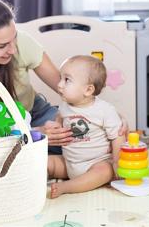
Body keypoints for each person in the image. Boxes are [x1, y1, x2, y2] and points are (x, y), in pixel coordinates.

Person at [0, 0, 128, 154]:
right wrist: (35, 134)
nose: (12, 49)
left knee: (86, 139)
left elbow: (64, 87)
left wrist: (109, 116)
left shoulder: (22, 42)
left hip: (34, 113)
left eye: (14, 39)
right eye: (2, 46)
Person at [47, 55, 126, 198]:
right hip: (69, 163)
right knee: (46, 161)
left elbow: (118, 136)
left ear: (88, 90)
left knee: (104, 171)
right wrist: (56, 125)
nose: (59, 84)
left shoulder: (104, 110)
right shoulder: (65, 105)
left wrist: (117, 162)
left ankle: (67, 187)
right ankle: (29, 179)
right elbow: (60, 116)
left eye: (67, 80)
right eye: (60, 78)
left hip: (95, 163)